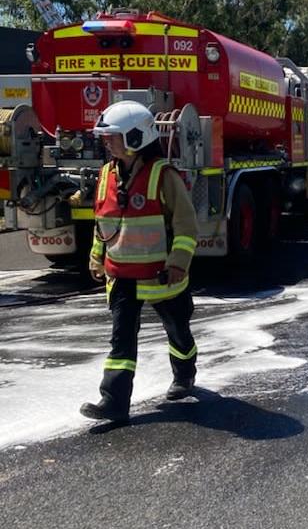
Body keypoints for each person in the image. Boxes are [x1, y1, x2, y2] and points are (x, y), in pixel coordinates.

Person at [80, 100, 199, 423]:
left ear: (136, 137)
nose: (107, 142)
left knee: (178, 331)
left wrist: (178, 264)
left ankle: (184, 374)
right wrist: (96, 257)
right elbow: (103, 221)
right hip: (121, 276)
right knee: (121, 341)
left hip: (161, 276)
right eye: (105, 136)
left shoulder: (163, 175)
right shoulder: (106, 174)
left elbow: (186, 224)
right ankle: (114, 402)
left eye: (113, 136)